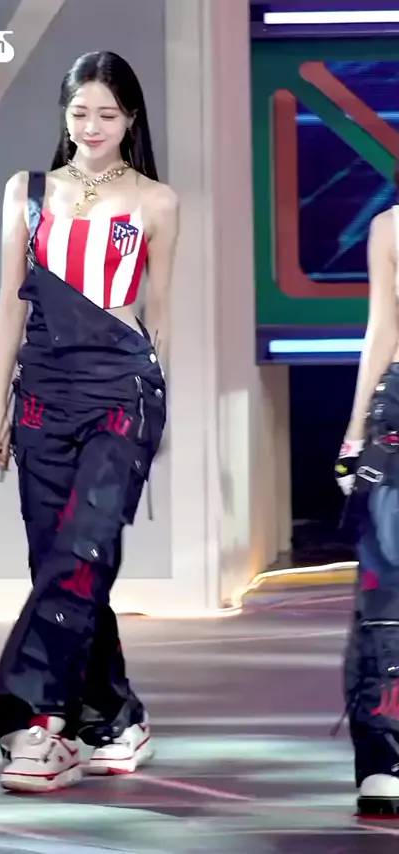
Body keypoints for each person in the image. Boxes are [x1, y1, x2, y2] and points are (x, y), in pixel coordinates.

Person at [0, 50, 179, 793]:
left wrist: (159, 406)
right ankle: (117, 716)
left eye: (107, 113)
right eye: (80, 112)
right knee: (60, 561)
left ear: (130, 119)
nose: (92, 126)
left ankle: (42, 722)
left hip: (122, 394)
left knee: (84, 548)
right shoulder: (26, 192)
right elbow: (10, 305)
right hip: (42, 395)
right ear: (65, 116)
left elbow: (161, 315)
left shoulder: (157, 200)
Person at [335, 174, 399, 817]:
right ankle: (385, 757)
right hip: (397, 411)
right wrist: (356, 433)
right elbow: (380, 329)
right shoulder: (390, 227)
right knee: (384, 587)